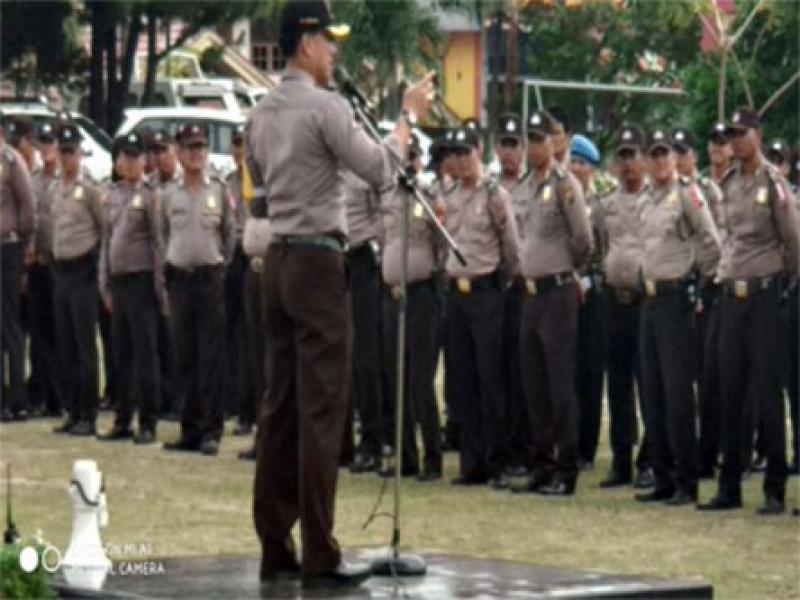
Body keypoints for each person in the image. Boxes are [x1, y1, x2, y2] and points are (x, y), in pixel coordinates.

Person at [246, 0, 434, 589]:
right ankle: (320, 553)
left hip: (279, 259)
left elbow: (259, 185)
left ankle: (275, 544)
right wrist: (406, 120)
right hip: (318, 263)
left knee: (279, 407)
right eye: (329, 40)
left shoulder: (260, 113)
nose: (335, 51)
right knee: (322, 409)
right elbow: (379, 169)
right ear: (306, 42)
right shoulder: (326, 107)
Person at [698, 108, 798, 515]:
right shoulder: (730, 183)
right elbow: (729, 237)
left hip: (765, 296)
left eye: (741, 133)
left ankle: (775, 487)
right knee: (729, 390)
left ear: (757, 135)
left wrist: (782, 285)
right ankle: (730, 487)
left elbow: (793, 240)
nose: (735, 141)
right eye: (731, 134)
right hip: (732, 296)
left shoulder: (773, 183)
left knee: (768, 394)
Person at [635, 127, 720, 507]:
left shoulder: (686, 193)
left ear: (674, 157)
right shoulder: (646, 198)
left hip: (675, 299)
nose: (659, 161)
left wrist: (701, 284)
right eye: (653, 154)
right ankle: (663, 477)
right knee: (652, 393)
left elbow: (711, 240)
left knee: (678, 394)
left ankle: (686, 479)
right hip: (650, 300)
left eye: (664, 153)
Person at [509, 110, 591, 496]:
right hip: (530, 294)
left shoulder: (564, 183)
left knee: (559, 385)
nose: (534, 146)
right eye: (530, 139)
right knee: (534, 384)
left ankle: (566, 467)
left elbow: (583, 239)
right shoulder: (525, 185)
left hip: (556, 291)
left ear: (552, 143)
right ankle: (541, 464)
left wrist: (564, 269)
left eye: (540, 139)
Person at [443, 124, 518, 490]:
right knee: (462, 380)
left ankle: (497, 461)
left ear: (479, 152)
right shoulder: (450, 195)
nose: (460, 161)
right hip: (456, 294)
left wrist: (502, 283)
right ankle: (470, 462)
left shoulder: (494, 194)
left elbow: (510, 246)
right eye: (455, 154)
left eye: (466, 153)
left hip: (486, 291)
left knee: (491, 381)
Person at [160, 123, 235, 456]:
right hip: (180, 280)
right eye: (190, 148)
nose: (196, 154)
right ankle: (189, 429)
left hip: (209, 279)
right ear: (178, 152)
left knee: (211, 357)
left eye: (201, 147)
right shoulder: (169, 194)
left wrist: (216, 266)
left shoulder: (218, 190)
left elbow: (229, 238)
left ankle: (210, 431)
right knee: (184, 356)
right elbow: (164, 235)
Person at [380, 135, 443, 482]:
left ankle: (432, 456)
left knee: (420, 380)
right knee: (397, 378)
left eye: (413, 157)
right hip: (392, 295)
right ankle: (406, 456)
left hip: (421, 296)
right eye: (403, 157)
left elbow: (442, 246)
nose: (407, 163)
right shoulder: (386, 198)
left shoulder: (429, 197)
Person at [97, 132, 164, 444]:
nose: (131, 162)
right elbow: (107, 240)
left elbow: (158, 243)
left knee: (145, 354)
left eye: (136, 156)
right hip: (119, 283)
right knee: (120, 353)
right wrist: (104, 282)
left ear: (144, 161)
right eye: (126, 156)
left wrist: (160, 286)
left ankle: (148, 421)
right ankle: (123, 418)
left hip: (141, 281)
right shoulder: (112, 194)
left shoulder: (151, 195)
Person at [595, 125, 652, 489]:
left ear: (644, 159)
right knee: (617, 384)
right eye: (623, 157)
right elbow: (601, 245)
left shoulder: (656, 199)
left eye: (633, 156)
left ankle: (650, 460)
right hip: (615, 302)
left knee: (649, 384)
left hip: (646, 301)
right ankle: (621, 461)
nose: (628, 164)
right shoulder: (607, 205)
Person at [673, 127, 726, 479]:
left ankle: (708, 452)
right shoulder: (666, 191)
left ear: (694, 156)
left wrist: (707, 281)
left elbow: (718, 238)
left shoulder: (707, 191)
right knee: (678, 377)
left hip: (706, 288)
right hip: (678, 291)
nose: (678, 158)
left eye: (683, 152)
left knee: (708, 379)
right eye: (674, 152)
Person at [50, 122, 103, 436]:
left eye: (71, 152)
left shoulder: (91, 188)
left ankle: (88, 412)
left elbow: (103, 228)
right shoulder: (55, 188)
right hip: (61, 271)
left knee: (84, 345)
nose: (67, 158)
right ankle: (72, 409)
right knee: (65, 343)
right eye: (63, 152)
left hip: (83, 270)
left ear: (80, 154)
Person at [343, 167, 387, 474]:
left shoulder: (366, 170)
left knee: (366, 355)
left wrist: (374, 245)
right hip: (333, 258)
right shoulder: (327, 170)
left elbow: (382, 215)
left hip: (362, 258)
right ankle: (340, 442)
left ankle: (372, 440)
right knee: (336, 355)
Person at [569, 133, 608, 472]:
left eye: (582, 163)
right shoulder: (565, 200)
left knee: (591, 372)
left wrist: (589, 279)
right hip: (564, 294)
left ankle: (586, 446)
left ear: (592, 169)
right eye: (573, 161)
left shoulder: (600, 206)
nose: (576, 168)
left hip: (592, 295)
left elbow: (605, 249)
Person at [495, 113, 531, 475]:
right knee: (499, 370)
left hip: (524, 287)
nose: (509, 152)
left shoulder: (532, 187)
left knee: (523, 372)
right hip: (496, 289)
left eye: (514, 145)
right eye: (503, 145)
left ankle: (524, 449)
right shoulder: (490, 188)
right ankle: (502, 448)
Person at [0, 116, 35, 422]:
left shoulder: (11, 161)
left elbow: (27, 206)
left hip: (8, 247)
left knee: (11, 324)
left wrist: (25, 247)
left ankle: (17, 399)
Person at [27, 121, 62, 418]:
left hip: (61, 264)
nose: (47, 147)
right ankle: (42, 392)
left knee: (61, 332)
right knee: (39, 333)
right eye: (44, 142)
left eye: (51, 142)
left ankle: (61, 395)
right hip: (37, 263)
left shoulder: (71, 180)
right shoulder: (33, 179)